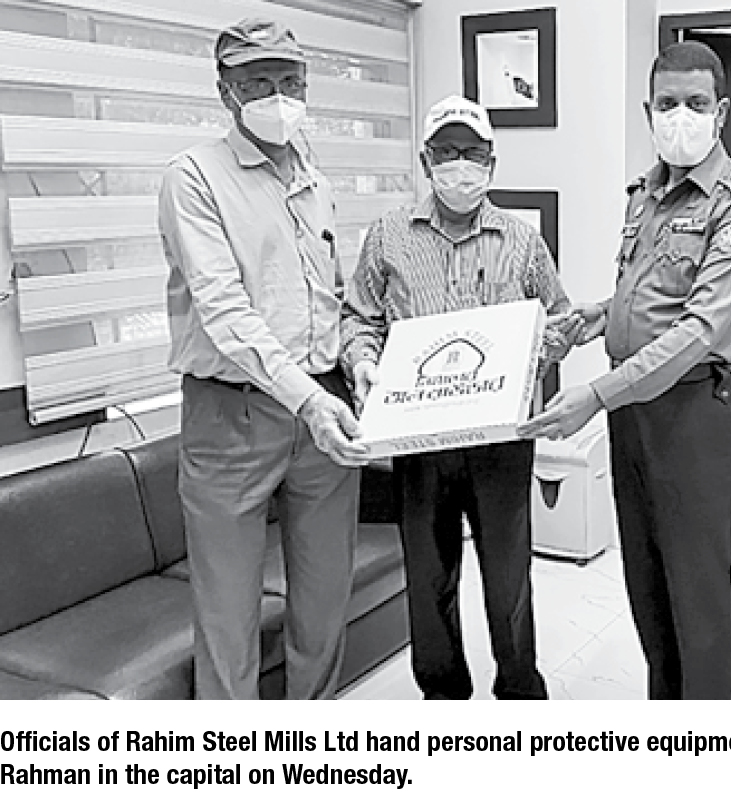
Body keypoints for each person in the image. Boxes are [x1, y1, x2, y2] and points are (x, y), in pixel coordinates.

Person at [519, 41, 731, 699]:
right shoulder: (646, 195)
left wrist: (595, 396)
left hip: (694, 412)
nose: (680, 116)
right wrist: (595, 317)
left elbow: (698, 331)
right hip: (635, 414)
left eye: (696, 103)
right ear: (648, 111)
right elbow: (649, 295)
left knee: (697, 593)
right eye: (667, 103)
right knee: (647, 580)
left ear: (721, 112)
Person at [158, 18, 369, 700]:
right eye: (258, 82)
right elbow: (224, 312)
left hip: (325, 405)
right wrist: (307, 398)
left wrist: (356, 363)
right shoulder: (194, 178)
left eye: (290, 81)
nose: (279, 96)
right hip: (233, 414)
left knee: (325, 594)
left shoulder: (315, 180)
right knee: (227, 613)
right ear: (226, 91)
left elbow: (329, 297)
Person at [341, 95, 572, 700]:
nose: (460, 164)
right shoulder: (388, 236)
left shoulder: (522, 240)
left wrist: (528, 359)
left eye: (472, 152)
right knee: (428, 576)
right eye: (446, 151)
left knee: (508, 576)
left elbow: (560, 317)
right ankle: (443, 694)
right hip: (419, 440)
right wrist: (363, 361)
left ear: (491, 161)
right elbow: (359, 317)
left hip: (501, 442)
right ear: (426, 160)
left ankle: (519, 688)